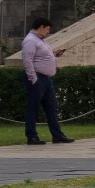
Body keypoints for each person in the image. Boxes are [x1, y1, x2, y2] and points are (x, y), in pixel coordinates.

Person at [21, 17, 70, 145]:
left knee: (52, 108)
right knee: (33, 107)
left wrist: (54, 54)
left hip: (46, 79)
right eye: (47, 29)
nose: (48, 32)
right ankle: (32, 136)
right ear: (41, 27)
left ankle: (57, 135)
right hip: (37, 78)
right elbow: (27, 60)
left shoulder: (40, 41)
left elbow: (40, 57)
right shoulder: (30, 41)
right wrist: (33, 79)